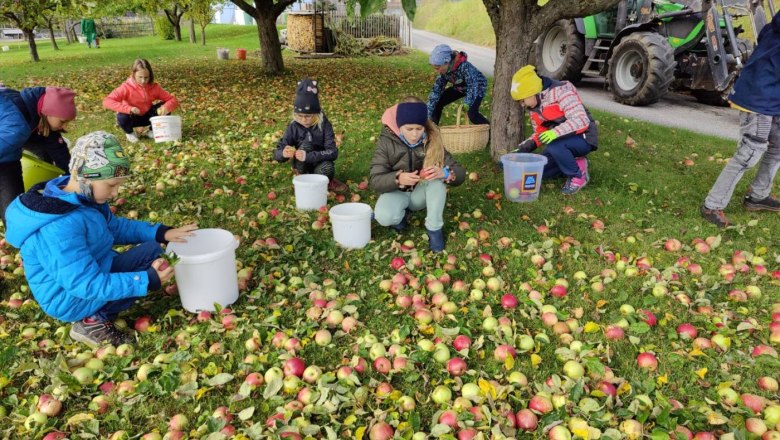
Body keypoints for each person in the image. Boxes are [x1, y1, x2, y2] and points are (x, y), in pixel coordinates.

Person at [4, 131, 198, 347]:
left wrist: (161, 232)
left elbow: (114, 227)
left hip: (95, 269)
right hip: (70, 298)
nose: (116, 193)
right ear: (85, 178)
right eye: (112, 185)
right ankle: (90, 321)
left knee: (154, 250)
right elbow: (85, 284)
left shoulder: (83, 197)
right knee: (143, 278)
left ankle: (106, 304)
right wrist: (144, 281)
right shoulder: (58, 227)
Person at [701, 13, 780, 227]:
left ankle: (758, 195)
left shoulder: (773, 27)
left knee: (777, 145)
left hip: (773, 97)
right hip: (758, 95)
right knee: (751, 150)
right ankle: (712, 205)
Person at [370, 98, 466, 253]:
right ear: (399, 126)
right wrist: (397, 178)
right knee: (384, 217)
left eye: (419, 128)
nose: (414, 134)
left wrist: (445, 173)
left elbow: (460, 172)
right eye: (409, 129)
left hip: (419, 194)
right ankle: (400, 215)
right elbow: (375, 179)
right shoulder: (386, 142)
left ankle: (434, 229)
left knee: (436, 181)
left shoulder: (432, 140)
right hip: (396, 192)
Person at [510, 65, 598, 195]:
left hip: (584, 137)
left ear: (532, 91)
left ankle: (579, 176)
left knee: (554, 146)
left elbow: (581, 120)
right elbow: (540, 133)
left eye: (522, 101)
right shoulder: (534, 107)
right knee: (541, 171)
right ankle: (574, 163)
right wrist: (524, 148)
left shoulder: (561, 92)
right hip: (561, 140)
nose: (523, 105)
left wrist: (554, 132)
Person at [0, 86, 77, 222]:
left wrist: (69, 176)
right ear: (48, 112)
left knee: (14, 209)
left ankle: (40, 196)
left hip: (9, 156)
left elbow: (58, 148)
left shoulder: (42, 120)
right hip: (7, 154)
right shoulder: (16, 118)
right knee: (13, 208)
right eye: (63, 121)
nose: (64, 126)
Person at [274, 78, 347, 193]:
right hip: (301, 165)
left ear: (316, 114)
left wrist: (308, 156)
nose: (303, 120)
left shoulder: (324, 125)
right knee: (305, 146)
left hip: (319, 161)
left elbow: (333, 152)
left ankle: (325, 182)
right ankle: (302, 180)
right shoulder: (293, 126)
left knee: (327, 167)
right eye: (299, 115)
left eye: (308, 116)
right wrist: (283, 153)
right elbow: (278, 150)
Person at [103, 59, 179, 144]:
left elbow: (173, 99)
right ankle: (130, 133)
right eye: (140, 77)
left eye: (146, 77)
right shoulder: (126, 87)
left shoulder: (154, 87)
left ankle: (152, 131)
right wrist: (129, 108)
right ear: (133, 74)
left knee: (165, 106)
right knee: (121, 116)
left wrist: (166, 107)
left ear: (150, 76)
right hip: (132, 117)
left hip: (149, 116)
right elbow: (107, 101)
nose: (143, 81)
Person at [427, 44, 489, 126]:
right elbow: (436, 91)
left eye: (438, 68)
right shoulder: (443, 72)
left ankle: (490, 129)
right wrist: (427, 114)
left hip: (477, 86)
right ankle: (432, 129)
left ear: (447, 62)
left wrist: (467, 102)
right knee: (437, 102)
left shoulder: (464, 66)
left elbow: (473, 85)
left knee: (472, 113)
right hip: (461, 88)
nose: (437, 71)